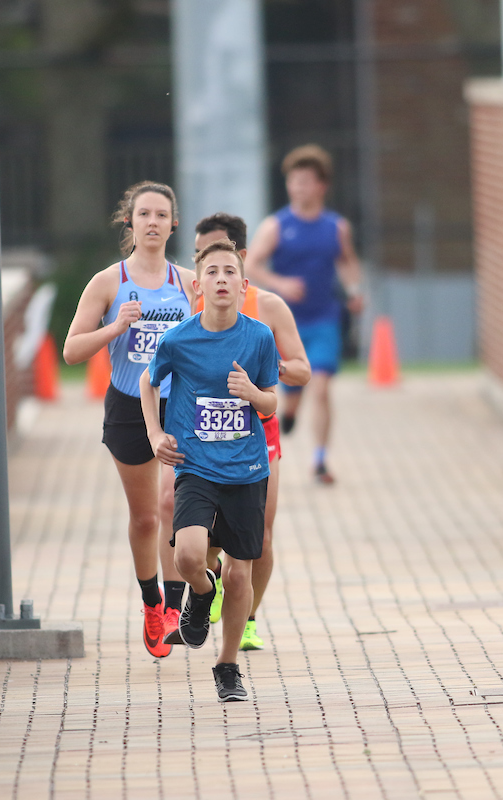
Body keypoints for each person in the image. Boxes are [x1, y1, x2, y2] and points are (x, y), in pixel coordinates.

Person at [139, 238, 279, 702]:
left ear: (243, 284)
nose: (222, 279)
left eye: (230, 272)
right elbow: (147, 380)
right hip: (196, 465)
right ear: (199, 286)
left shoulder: (258, 337)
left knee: (242, 573)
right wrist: (156, 435)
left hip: (246, 469)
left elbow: (271, 400)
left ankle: (228, 665)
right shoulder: (179, 338)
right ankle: (201, 593)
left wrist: (252, 394)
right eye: (213, 272)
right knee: (188, 556)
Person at [63, 181, 196, 659]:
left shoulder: (187, 283)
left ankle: (180, 606)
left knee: (171, 506)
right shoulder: (108, 282)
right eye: (145, 214)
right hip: (126, 406)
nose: (154, 222)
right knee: (144, 518)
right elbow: (71, 350)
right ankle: (152, 602)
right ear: (130, 222)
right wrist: (116, 327)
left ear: (173, 224)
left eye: (162, 215)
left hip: (178, 407)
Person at [193, 213, 310, 652]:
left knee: (260, 533)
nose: (214, 270)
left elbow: (303, 371)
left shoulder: (269, 306)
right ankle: (208, 590)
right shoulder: (193, 306)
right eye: (203, 258)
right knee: (198, 534)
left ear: (241, 260)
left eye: (223, 259)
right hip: (204, 434)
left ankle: (248, 618)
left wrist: (266, 367)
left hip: (259, 431)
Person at [245, 144, 364, 484]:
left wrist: (355, 292)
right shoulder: (276, 226)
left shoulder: (336, 227)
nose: (299, 187)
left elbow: (347, 261)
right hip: (285, 324)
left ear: (321, 186)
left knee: (322, 387)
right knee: (293, 389)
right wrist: (280, 283)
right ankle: (292, 412)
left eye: (306, 181)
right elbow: (251, 265)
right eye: (294, 181)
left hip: (324, 319)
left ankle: (320, 460)